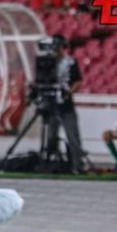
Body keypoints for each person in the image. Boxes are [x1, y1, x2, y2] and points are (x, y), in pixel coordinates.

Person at [46, 34, 86, 173]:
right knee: (51, 136)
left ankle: (77, 165)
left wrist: (68, 92)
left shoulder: (70, 62)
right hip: (51, 104)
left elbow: (78, 81)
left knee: (72, 135)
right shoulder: (47, 62)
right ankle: (51, 162)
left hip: (66, 104)